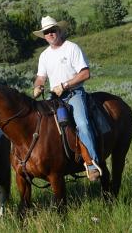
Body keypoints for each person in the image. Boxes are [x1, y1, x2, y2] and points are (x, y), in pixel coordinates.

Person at [32, 16, 101, 182]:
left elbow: (85, 73)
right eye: (46, 32)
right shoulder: (44, 56)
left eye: (52, 30)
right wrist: (38, 86)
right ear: (44, 35)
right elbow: (41, 77)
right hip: (53, 97)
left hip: (73, 94)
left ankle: (92, 164)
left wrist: (64, 85)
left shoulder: (72, 48)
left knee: (82, 123)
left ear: (59, 31)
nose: (50, 34)